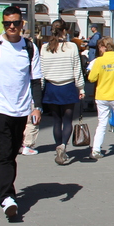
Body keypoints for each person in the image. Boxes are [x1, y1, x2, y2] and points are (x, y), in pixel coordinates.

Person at [0, 6, 43, 220]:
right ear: (3, 24)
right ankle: (7, 197)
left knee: (12, 152)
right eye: (7, 23)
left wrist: (37, 106)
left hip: (20, 109)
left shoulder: (30, 48)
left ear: (22, 24)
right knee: (2, 153)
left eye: (15, 23)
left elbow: (35, 80)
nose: (11, 27)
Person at [40, 20, 85, 166]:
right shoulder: (71, 47)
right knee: (67, 120)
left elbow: (41, 70)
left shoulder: (45, 48)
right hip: (68, 86)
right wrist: (81, 88)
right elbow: (77, 69)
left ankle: (58, 145)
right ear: (64, 31)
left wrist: (40, 89)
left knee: (56, 120)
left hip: (51, 87)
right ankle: (63, 146)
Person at [89, 37, 114, 160]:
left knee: (101, 123)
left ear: (102, 47)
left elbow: (91, 78)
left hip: (102, 95)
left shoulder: (99, 61)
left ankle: (96, 150)